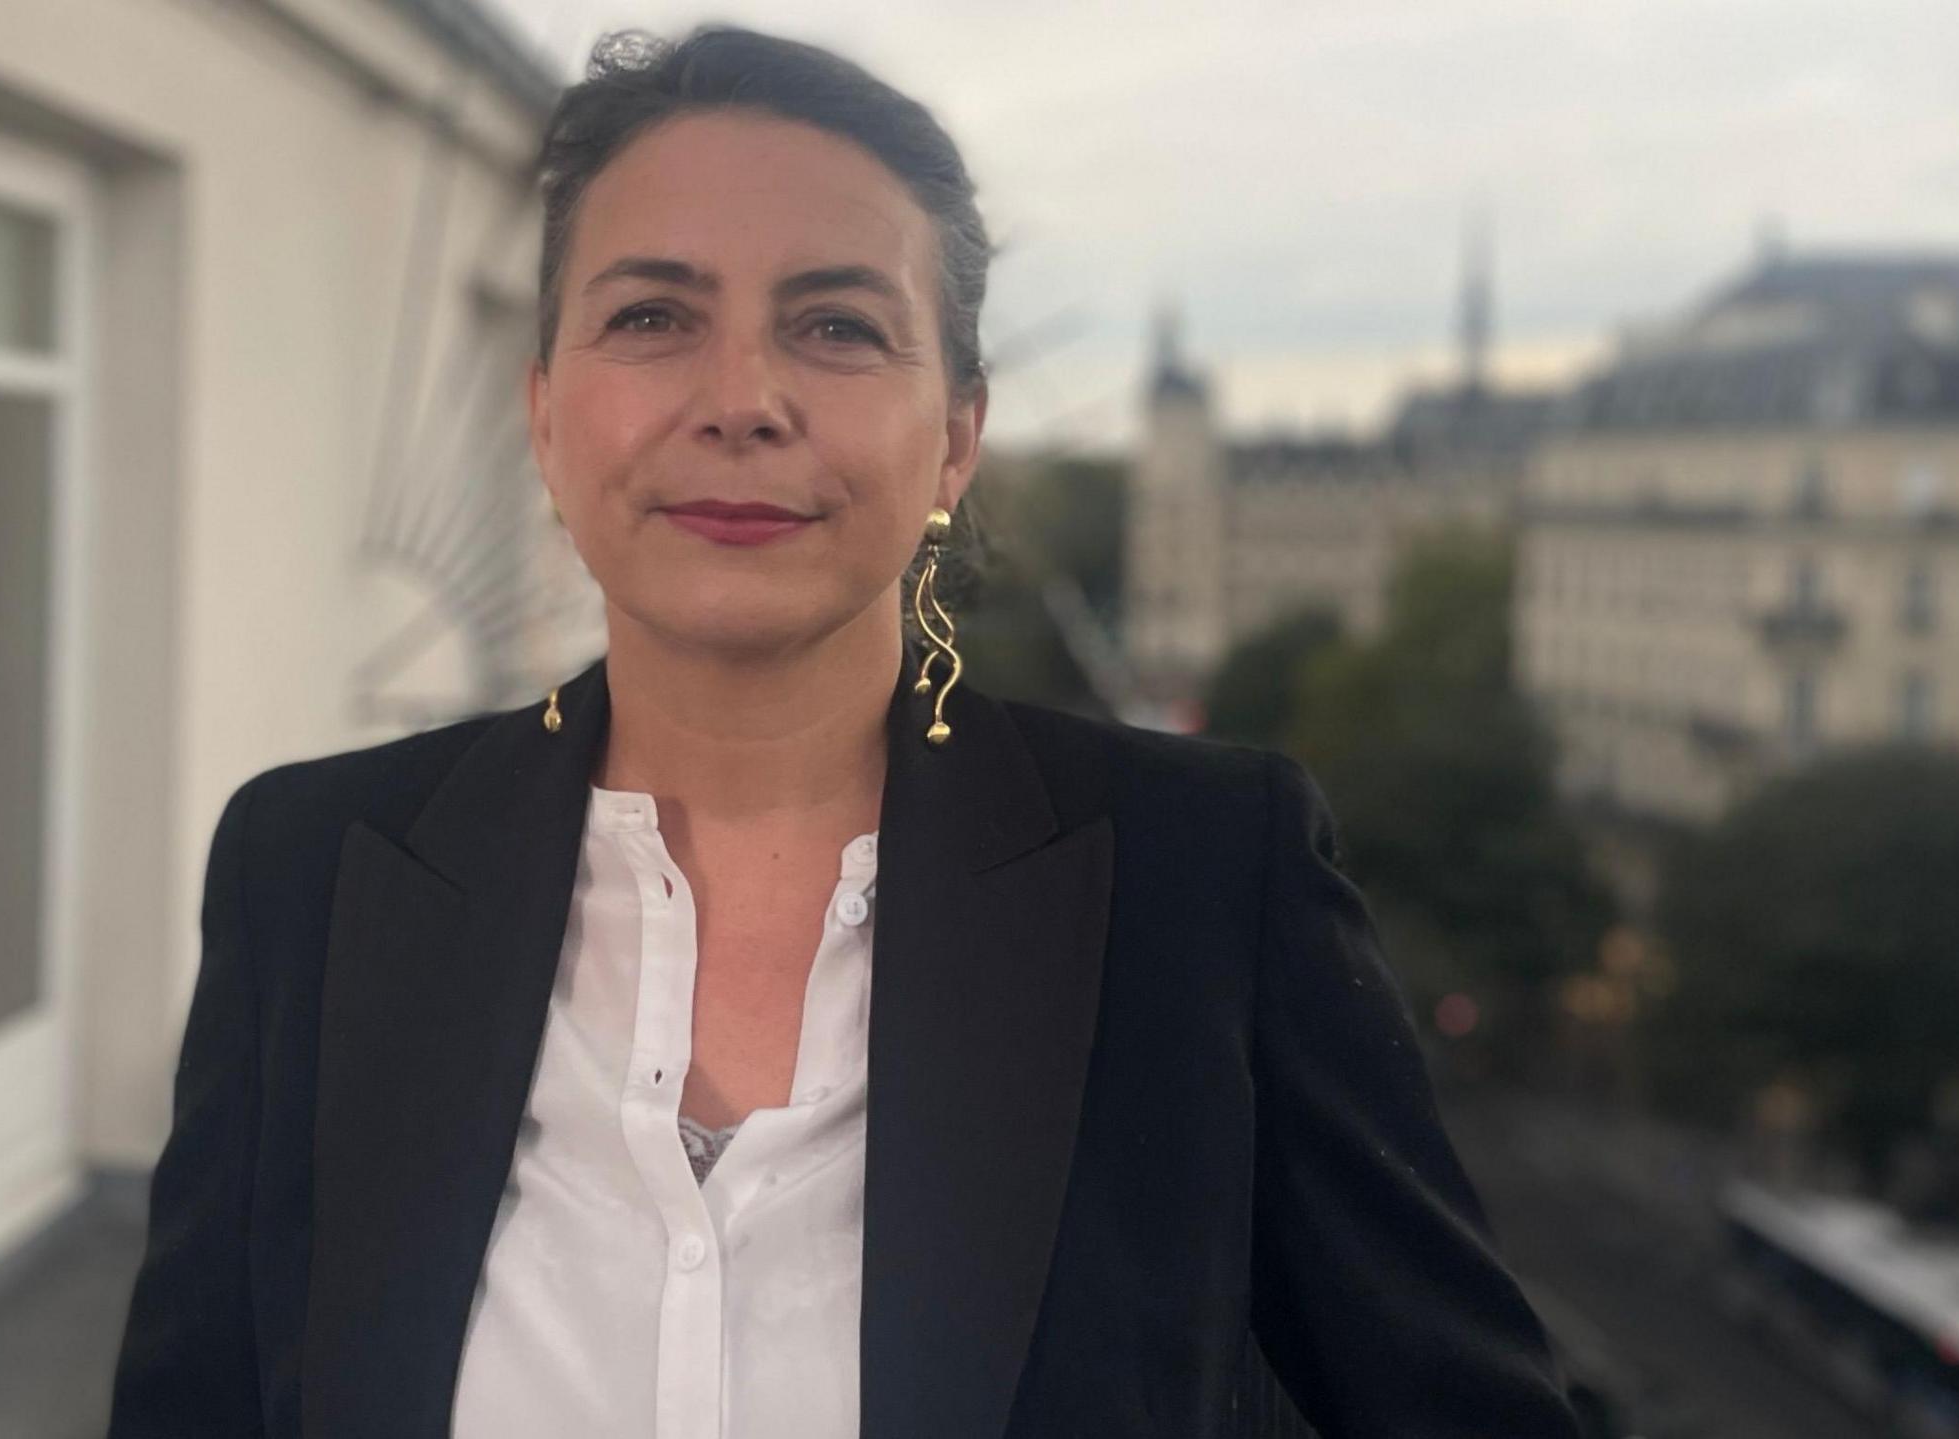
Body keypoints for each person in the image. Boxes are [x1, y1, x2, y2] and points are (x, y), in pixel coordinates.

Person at [107, 24, 1584, 1439]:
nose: (741, 399)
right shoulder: (315, 871)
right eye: (651, 317)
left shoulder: (1201, 882)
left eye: (836, 325)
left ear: (954, 438)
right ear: (547, 415)